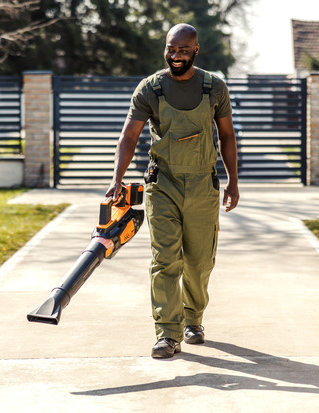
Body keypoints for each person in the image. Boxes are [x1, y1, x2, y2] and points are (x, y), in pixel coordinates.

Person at [105, 23, 239, 359]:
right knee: (165, 259)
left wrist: (233, 182)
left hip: (202, 183)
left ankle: (194, 320)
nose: (175, 55)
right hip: (162, 183)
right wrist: (116, 178)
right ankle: (167, 332)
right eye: (170, 49)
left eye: (183, 49)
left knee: (199, 260)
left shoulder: (214, 88)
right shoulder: (150, 88)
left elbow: (227, 137)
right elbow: (129, 137)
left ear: (196, 49)